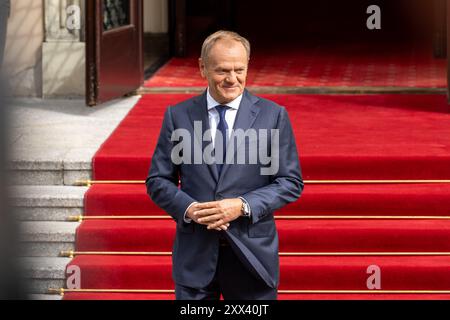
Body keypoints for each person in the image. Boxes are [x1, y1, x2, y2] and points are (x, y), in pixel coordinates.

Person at [146, 30, 303, 300]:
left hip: (253, 258)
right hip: (195, 258)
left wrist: (242, 205)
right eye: (222, 71)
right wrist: (190, 209)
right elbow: (158, 181)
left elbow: (289, 182)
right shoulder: (178, 115)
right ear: (202, 68)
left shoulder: (273, 115)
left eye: (239, 70)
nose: (232, 79)